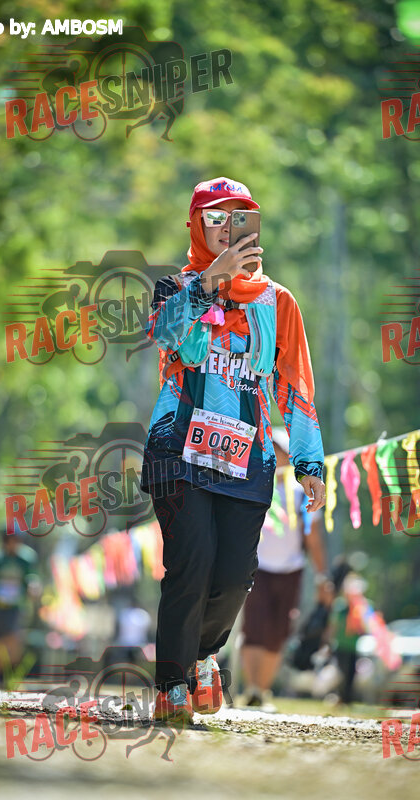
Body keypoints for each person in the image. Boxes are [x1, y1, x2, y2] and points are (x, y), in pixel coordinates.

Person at [141, 177, 326, 722]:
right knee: (190, 563)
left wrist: (309, 461)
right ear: (195, 225)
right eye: (215, 217)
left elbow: (295, 382)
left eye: (237, 216)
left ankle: (202, 656)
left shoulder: (278, 302)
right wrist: (209, 282)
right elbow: (165, 334)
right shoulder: (174, 287)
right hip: (177, 450)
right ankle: (172, 685)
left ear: (254, 226)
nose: (226, 228)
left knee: (235, 576)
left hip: (248, 458)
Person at [240, 428, 328, 709]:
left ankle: (263, 690)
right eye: (272, 449)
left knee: (277, 633)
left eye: (280, 450)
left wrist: (322, 575)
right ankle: (251, 688)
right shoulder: (253, 486)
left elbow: (313, 538)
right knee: (253, 629)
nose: (275, 455)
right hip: (257, 568)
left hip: (291, 570)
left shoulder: (302, 493)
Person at [0, 530, 40, 686]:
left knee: (13, 639)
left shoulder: (26, 559)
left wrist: (34, 589)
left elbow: (32, 579)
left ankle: (10, 675)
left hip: (16, 607)